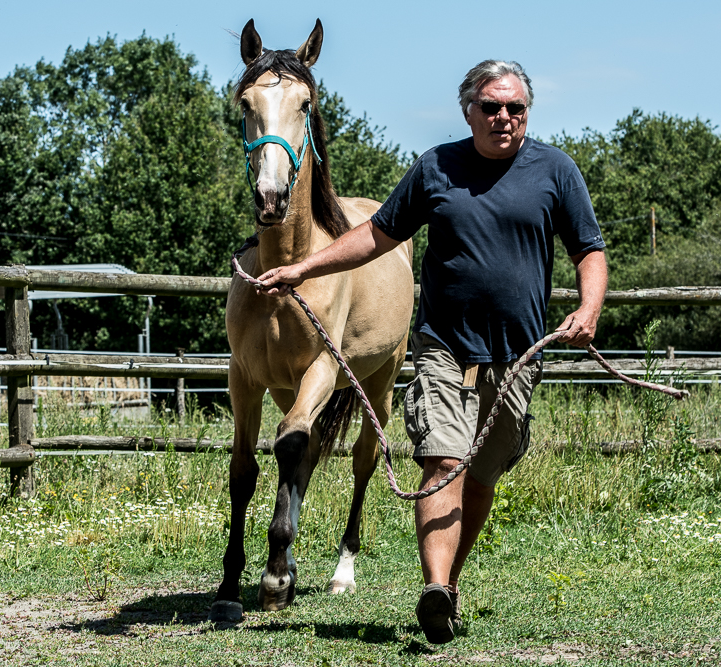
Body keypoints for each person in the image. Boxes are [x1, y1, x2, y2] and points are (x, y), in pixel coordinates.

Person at [255, 59, 608, 644]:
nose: (503, 118)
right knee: (443, 460)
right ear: (467, 109)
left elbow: (588, 249)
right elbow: (375, 236)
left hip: (516, 356)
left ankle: (449, 585)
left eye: (515, 108)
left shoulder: (556, 171)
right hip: (444, 346)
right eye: (491, 107)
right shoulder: (436, 168)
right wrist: (303, 267)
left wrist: (589, 307)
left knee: (481, 477)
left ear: (528, 112)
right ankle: (436, 587)